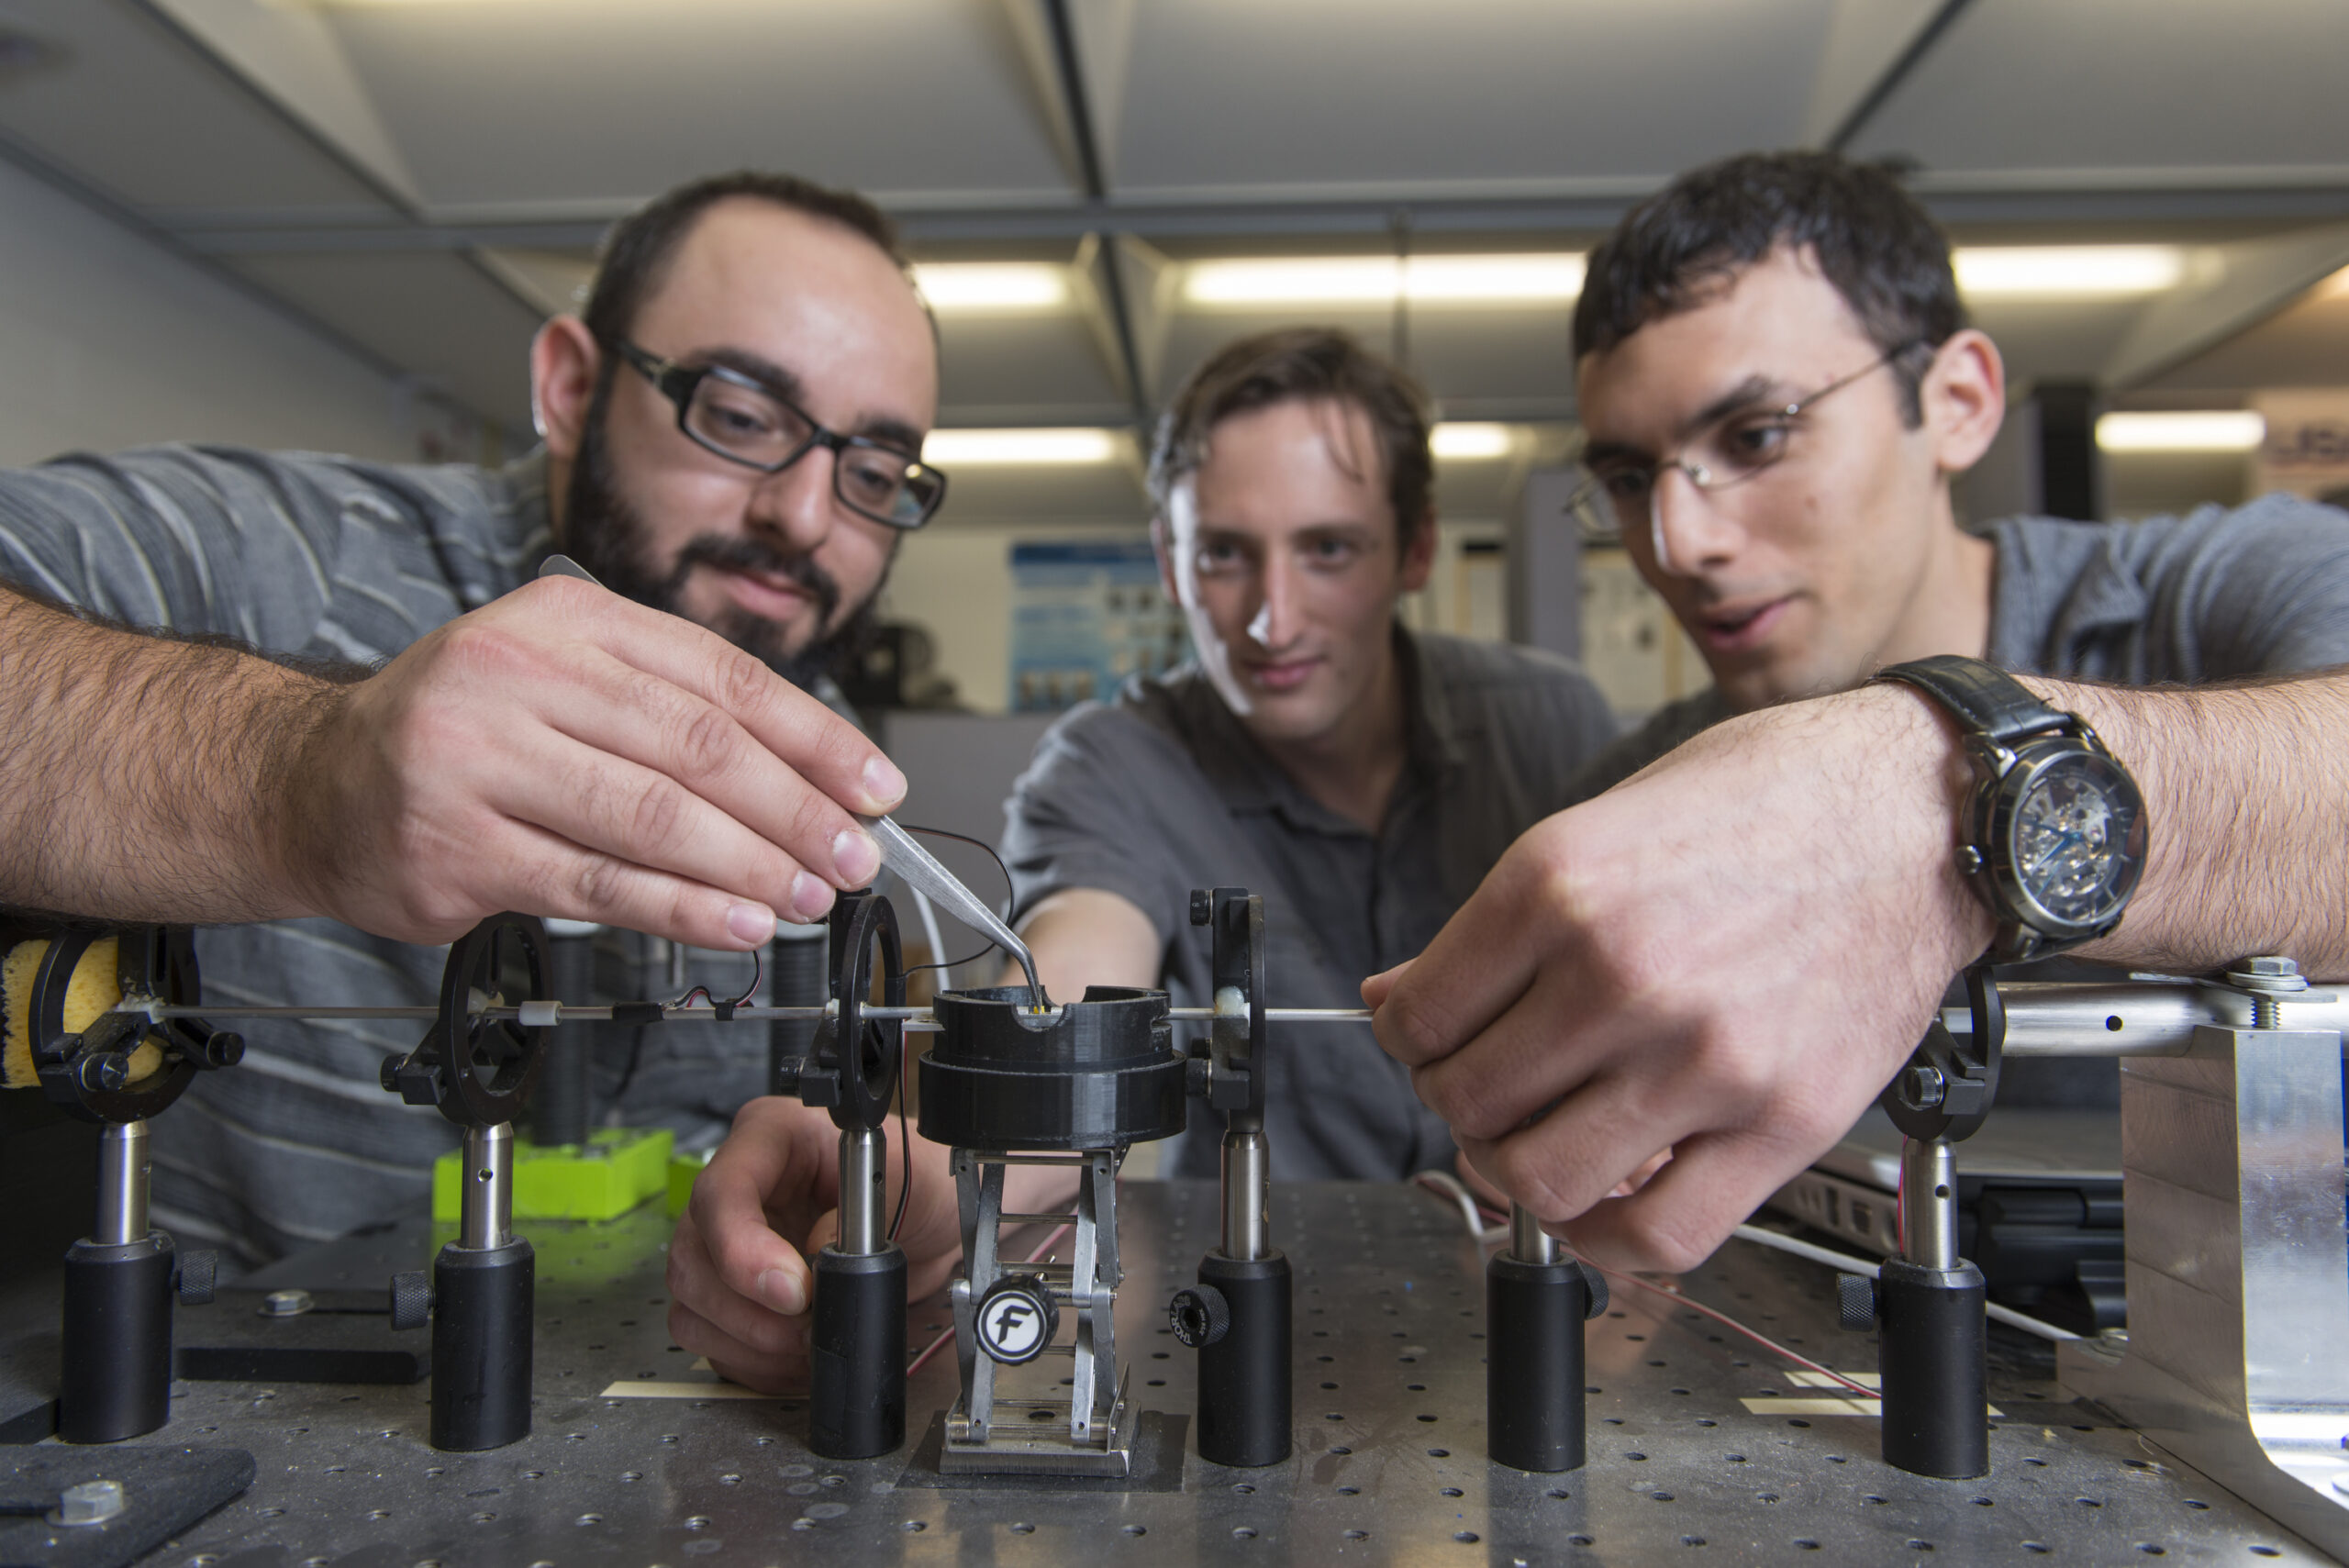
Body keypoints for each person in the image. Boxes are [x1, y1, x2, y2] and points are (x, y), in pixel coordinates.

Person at [1363, 149, 2349, 1271]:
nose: (1680, 544)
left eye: (1756, 436)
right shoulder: (1661, 791)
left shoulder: (2224, 590)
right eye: (1631, 479)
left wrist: (1937, 796)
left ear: (1958, 401)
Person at [0, 171, 939, 1262]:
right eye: (738, 416)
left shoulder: (818, 750)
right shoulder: (294, 563)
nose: (805, 517)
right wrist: (292, 774)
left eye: (873, 472)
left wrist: (866, 1195)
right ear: (573, 388)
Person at [663, 327, 1619, 1388]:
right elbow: (1069, 988)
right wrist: (921, 1175)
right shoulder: (1116, 761)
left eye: (1329, 548)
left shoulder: (1553, 728)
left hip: (1575, 1299)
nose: (1271, 616)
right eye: (1222, 551)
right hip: (1277, 1333)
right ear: (1168, 561)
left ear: (1416, 549)